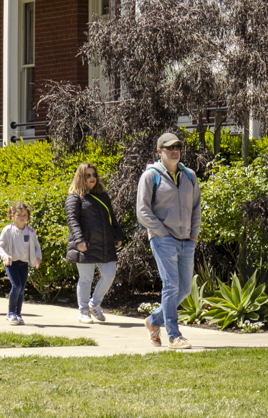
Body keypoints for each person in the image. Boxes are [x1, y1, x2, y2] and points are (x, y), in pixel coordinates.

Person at [135, 130, 201, 350]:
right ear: (159, 151)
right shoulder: (150, 176)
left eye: (177, 147)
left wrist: (193, 235)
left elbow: (196, 208)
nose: (175, 151)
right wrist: (161, 232)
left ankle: (153, 321)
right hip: (163, 239)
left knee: (184, 289)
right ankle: (174, 336)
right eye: (170, 148)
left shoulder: (189, 175)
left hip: (186, 240)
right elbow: (142, 211)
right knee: (171, 285)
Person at [65, 161, 121, 324]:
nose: (92, 178)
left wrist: (118, 235)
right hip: (86, 245)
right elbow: (72, 221)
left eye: (94, 175)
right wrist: (80, 241)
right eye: (88, 175)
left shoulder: (102, 195)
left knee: (110, 274)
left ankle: (93, 304)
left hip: (105, 244)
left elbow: (112, 217)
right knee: (86, 279)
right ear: (80, 177)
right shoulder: (74, 197)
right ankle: (84, 311)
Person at [0, 201, 42, 326]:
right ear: (12, 215)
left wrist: (38, 257)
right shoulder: (7, 230)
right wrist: (5, 256)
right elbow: (0, 247)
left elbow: (36, 247)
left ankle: (18, 314)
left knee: (22, 289)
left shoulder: (31, 231)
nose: (22, 218)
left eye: (24, 215)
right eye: (19, 215)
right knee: (16, 286)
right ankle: (11, 312)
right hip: (11, 263)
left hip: (24, 263)